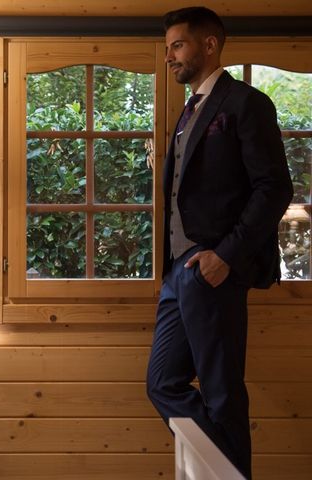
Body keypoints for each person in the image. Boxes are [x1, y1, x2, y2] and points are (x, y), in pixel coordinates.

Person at [146, 7, 293, 479]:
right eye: (167, 47)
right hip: (178, 274)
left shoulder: (246, 104)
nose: (169, 56)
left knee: (222, 391)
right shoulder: (188, 111)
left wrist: (225, 256)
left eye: (178, 45)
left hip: (212, 269)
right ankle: (223, 470)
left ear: (210, 45)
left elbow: (274, 188)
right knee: (162, 382)